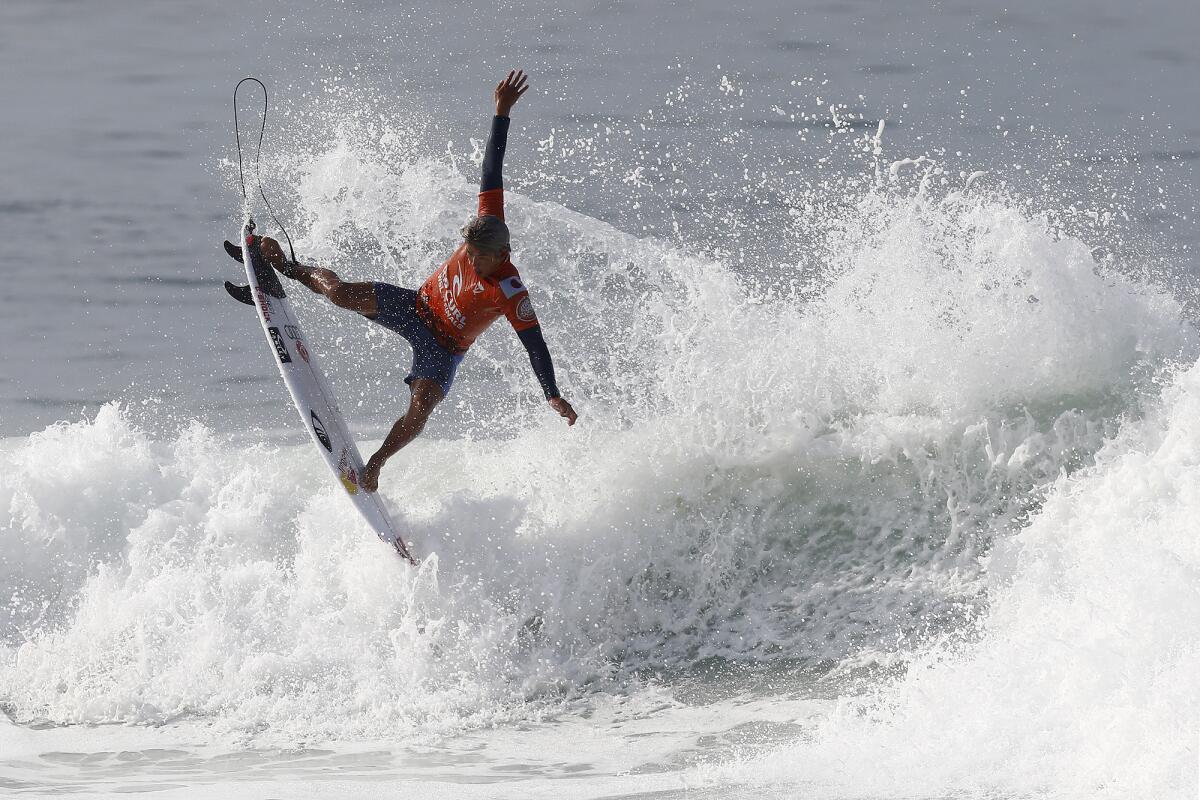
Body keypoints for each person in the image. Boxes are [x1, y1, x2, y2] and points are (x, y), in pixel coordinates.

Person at [254, 70, 577, 492]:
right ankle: (291, 268)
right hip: (415, 307)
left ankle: (377, 462)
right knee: (338, 293)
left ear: (501, 256)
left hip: (443, 348)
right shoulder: (488, 220)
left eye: (479, 260)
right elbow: (491, 167)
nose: (472, 263)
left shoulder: (510, 291)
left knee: (420, 410)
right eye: (469, 255)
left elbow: (535, 344)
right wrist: (501, 111)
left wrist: (551, 392)